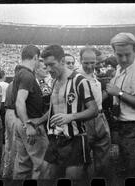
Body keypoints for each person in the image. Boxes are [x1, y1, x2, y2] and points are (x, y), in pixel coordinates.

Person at [41, 44, 98, 179]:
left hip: (75, 139)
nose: (48, 69)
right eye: (46, 65)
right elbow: (53, 110)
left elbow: (93, 110)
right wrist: (38, 121)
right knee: (47, 176)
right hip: (56, 138)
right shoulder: (54, 82)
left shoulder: (79, 81)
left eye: (51, 64)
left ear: (62, 61)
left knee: (72, 178)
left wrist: (71, 117)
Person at [105, 32, 135, 177]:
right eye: (120, 55)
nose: (124, 59)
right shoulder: (121, 68)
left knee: (134, 172)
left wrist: (118, 93)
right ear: (114, 52)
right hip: (124, 126)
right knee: (125, 170)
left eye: (128, 54)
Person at [12, 45, 49, 179]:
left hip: (20, 121)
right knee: (43, 164)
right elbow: (20, 101)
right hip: (31, 122)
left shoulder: (20, 73)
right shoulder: (27, 75)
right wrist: (28, 125)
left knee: (23, 165)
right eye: (39, 60)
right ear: (35, 57)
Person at [78, 47, 111, 178]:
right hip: (84, 120)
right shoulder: (76, 78)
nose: (90, 66)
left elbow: (97, 100)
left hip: (100, 118)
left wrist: (107, 92)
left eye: (92, 62)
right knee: (82, 159)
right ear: (80, 61)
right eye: (86, 63)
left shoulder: (95, 76)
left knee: (103, 158)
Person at [2, 65, 20, 179]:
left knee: (9, 145)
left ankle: (6, 172)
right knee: (15, 146)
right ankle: (11, 174)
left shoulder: (11, 83)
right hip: (13, 112)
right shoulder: (16, 84)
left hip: (8, 112)